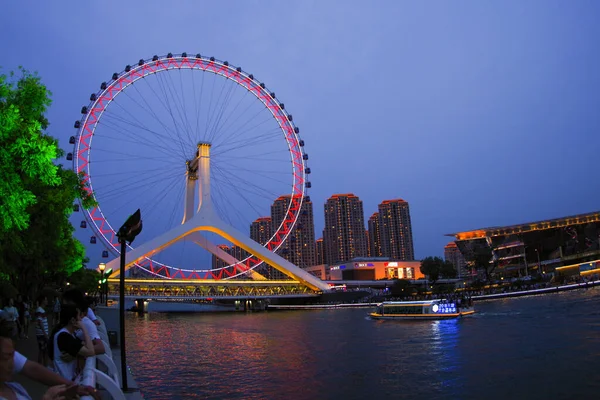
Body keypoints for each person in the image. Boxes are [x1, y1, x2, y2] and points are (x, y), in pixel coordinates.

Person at [0, 320, 97, 400]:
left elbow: (33, 369)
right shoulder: (64, 336)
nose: (12, 362)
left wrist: (74, 387)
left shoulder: (14, 387)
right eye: (6, 357)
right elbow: (92, 351)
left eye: (13, 355)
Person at [48, 304, 95, 381]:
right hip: (65, 383)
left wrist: (75, 354)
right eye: (79, 316)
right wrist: (84, 328)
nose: (81, 319)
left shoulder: (69, 334)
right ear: (73, 320)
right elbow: (91, 351)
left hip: (66, 381)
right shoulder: (64, 336)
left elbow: (84, 345)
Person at [35, 295, 50, 367]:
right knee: (43, 350)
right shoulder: (39, 310)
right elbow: (40, 322)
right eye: (46, 300)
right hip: (41, 334)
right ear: (43, 301)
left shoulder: (41, 310)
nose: (47, 301)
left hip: (42, 334)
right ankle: (42, 367)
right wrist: (45, 333)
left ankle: (42, 366)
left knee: (43, 350)